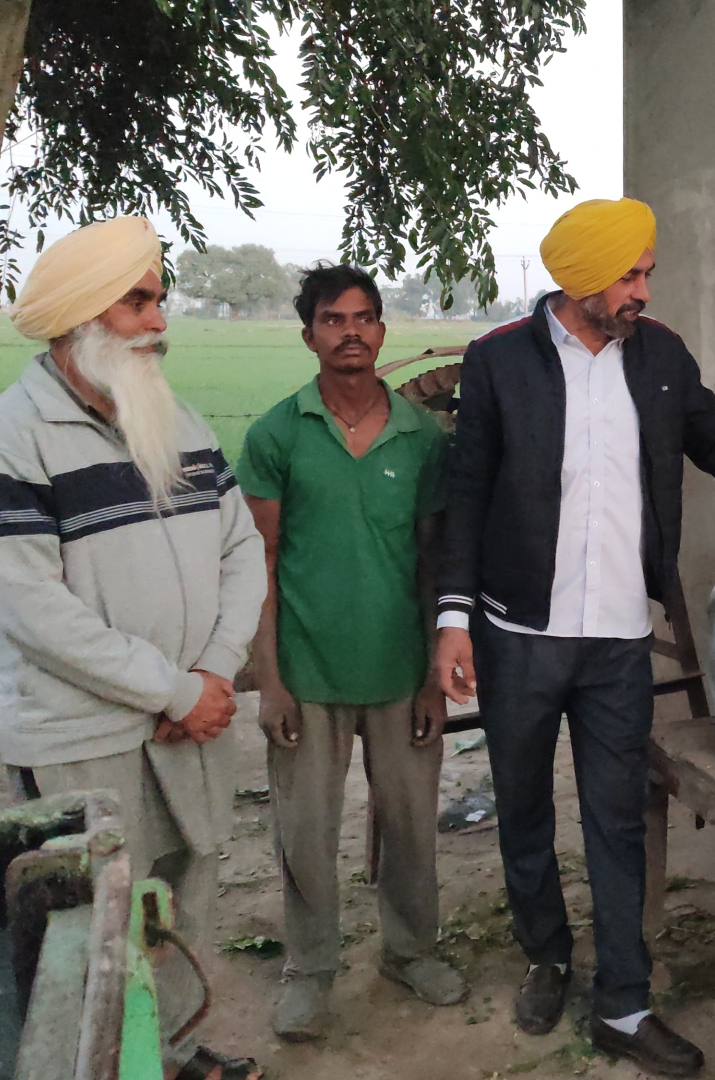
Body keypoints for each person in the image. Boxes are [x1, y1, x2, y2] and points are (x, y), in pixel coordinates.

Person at [430, 197, 715, 1077]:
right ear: (580, 278)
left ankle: (625, 1004)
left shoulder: (662, 357)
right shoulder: (498, 364)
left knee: (616, 817)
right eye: (629, 274)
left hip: (616, 641)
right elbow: (467, 494)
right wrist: (454, 620)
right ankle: (547, 953)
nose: (643, 289)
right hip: (517, 632)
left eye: (647, 272)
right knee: (523, 805)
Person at [0, 216, 266, 1080]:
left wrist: (211, 674)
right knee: (92, 927)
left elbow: (241, 551)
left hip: (191, 718)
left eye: (158, 299)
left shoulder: (180, 422)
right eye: (138, 301)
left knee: (181, 897)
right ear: (81, 318)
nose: (158, 319)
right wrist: (169, 689)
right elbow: (32, 612)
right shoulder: (5, 442)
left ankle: (170, 1053)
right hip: (85, 741)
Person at [239, 264, 459, 1040]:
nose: (352, 333)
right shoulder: (275, 434)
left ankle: (410, 951)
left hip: (401, 672)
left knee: (411, 825)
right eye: (334, 320)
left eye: (364, 318)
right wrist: (268, 680)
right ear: (309, 335)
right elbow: (258, 563)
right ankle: (309, 970)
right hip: (307, 673)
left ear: (382, 332)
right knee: (306, 832)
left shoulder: (419, 437)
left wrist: (436, 673)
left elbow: (436, 562)